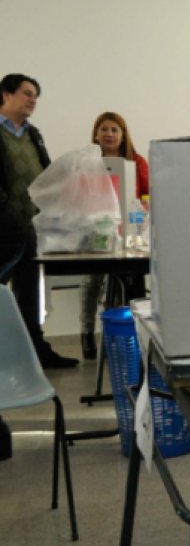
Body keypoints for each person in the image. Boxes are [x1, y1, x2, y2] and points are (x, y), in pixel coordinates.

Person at [0, 74, 77, 369]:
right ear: (6, 95)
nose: (33, 100)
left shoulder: (34, 134)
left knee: (30, 295)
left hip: (30, 229)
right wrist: (8, 214)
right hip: (3, 229)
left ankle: (35, 353)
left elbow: (46, 177)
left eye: (35, 96)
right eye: (27, 93)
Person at [79, 112, 149, 359]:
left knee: (129, 283)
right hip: (96, 230)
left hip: (130, 232)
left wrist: (144, 207)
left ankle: (126, 335)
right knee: (92, 282)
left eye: (114, 129)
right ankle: (87, 334)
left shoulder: (137, 161)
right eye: (104, 129)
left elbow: (149, 193)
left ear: (123, 134)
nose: (109, 134)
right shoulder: (86, 162)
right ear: (96, 134)